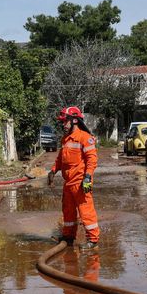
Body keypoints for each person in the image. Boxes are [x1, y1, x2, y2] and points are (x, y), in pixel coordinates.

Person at [48, 106, 100, 248]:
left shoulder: (85, 138)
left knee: (86, 211)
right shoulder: (66, 139)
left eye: (65, 122)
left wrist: (87, 178)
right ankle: (69, 237)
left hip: (81, 182)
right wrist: (53, 170)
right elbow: (61, 158)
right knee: (68, 211)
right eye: (62, 122)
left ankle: (93, 240)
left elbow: (92, 160)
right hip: (68, 183)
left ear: (75, 121)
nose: (63, 125)